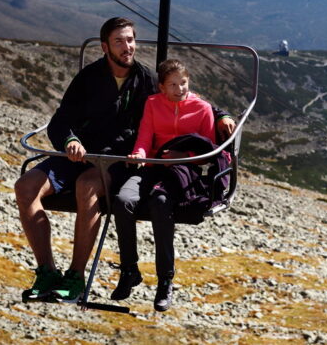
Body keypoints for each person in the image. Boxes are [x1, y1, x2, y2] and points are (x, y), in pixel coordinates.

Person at [14, 17, 234, 302]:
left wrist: (219, 115)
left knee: (87, 186)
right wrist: (70, 140)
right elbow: (61, 119)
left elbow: (181, 95)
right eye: (119, 41)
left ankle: (76, 276)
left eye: (130, 40)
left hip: (114, 160)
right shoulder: (89, 78)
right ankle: (46, 271)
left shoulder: (145, 80)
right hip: (79, 154)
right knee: (26, 186)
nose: (127, 47)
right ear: (105, 47)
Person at [112, 59, 227, 311]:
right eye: (173, 85)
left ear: (189, 83)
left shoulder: (202, 108)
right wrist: (139, 154)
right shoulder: (153, 104)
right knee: (123, 201)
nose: (179, 89)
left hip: (183, 171)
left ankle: (165, 279)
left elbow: (207, 151)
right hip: (152, 165)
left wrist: (182, 157)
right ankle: (129, 269)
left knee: (160, 203)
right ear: (162, 87)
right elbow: (144, 137)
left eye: (183, 83)